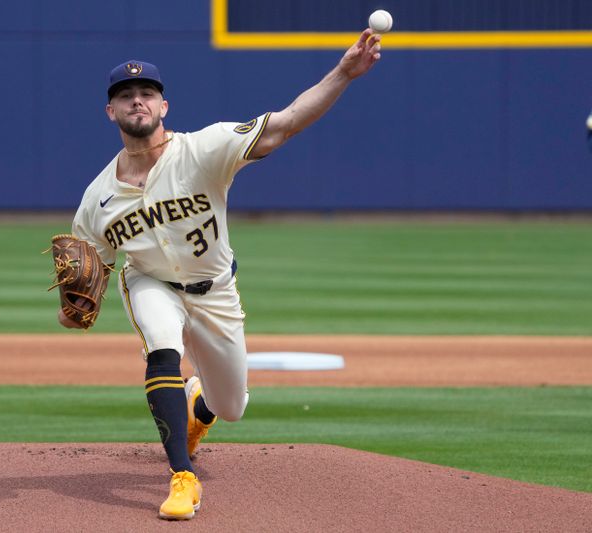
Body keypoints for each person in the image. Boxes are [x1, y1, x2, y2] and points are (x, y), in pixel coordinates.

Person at [58, 28, 383, 520]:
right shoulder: (96, 198)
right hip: (151, 283)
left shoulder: (204, 149)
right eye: (125, 96)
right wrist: (74, 304)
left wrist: (343, 73)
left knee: (232, 405)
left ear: (164, 106)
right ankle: (182, 478)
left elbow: (287, 123)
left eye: (147, 93)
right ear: (111, 112)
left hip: (216, 291)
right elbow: (90, 261)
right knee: (161, 347)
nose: (137, 101)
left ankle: (200, 407)